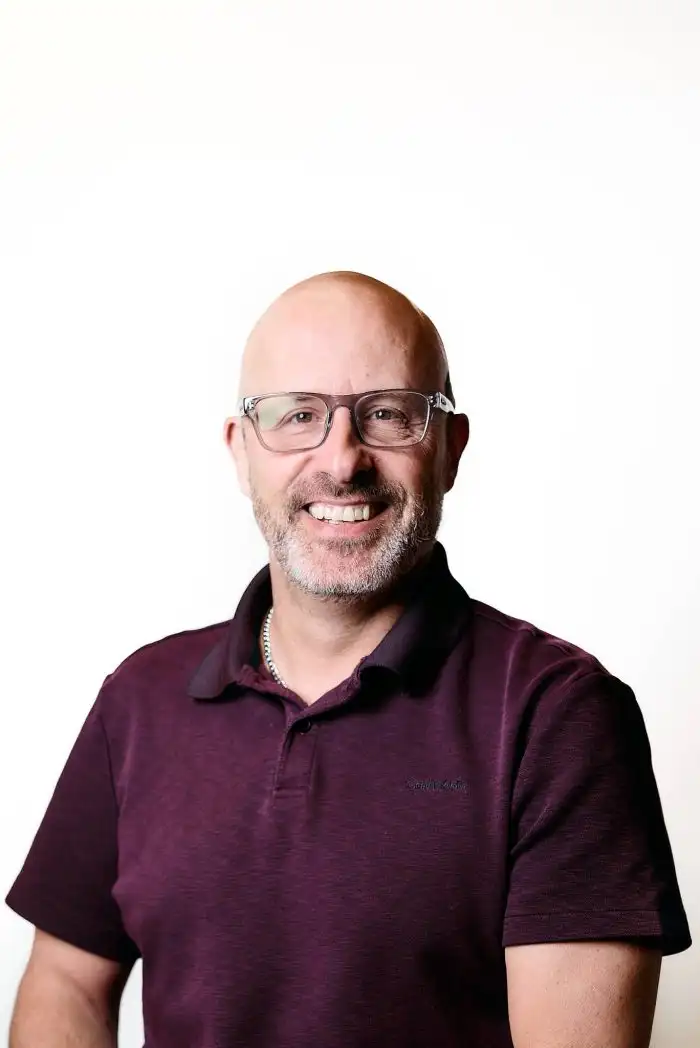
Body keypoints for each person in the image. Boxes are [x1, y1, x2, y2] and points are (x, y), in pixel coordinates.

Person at [6, 271, 691, 1048]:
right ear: (240, 451)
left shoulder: (557, 715)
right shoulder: (139, 699)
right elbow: (64, 983)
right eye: (298, 414)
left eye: (388, 414)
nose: (342, 459)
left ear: (450, 448)